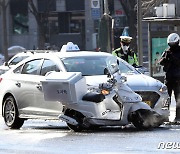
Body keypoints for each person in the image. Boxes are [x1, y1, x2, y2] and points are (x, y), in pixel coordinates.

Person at [159, 33, 180, 122]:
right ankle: (165, 117)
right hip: (168, 79)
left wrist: (173, 58)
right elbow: (160, 62)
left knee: (178, 99)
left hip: (178, 79)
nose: (171, 46)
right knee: (166, 99)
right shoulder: (167, 51)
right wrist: (165, 59)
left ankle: (178, 117)